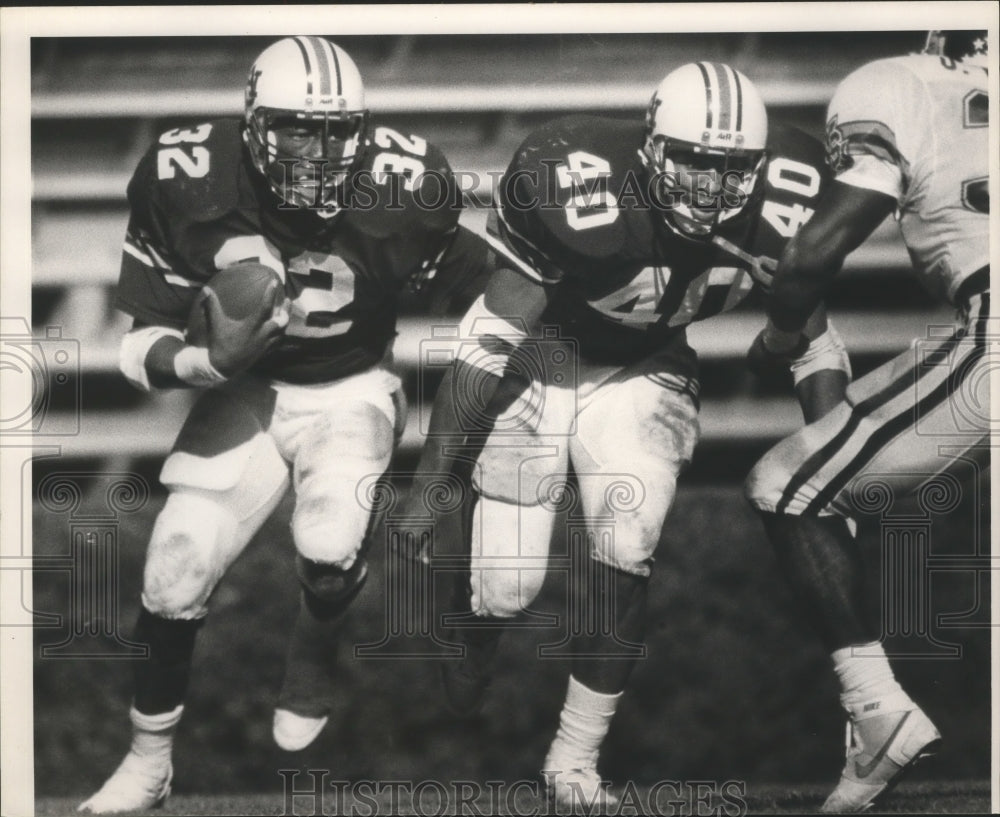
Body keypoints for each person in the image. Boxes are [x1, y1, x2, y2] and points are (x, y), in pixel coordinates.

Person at [407, 62, 850, 811]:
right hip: (538, 362)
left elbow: (814, 342)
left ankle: (575, 760)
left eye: (731, 169)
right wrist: (429, 483)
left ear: (761, 165)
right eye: (695, 163)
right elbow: (485, 342)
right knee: (508, 590)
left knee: (628, 538)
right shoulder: (571, 177)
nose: (710, 188)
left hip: (647, 365)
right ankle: (471, 619)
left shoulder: (791, 200)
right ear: (651, 147)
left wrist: (841, 460)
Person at [79, 36, 491, 814]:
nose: (322, 150)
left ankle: (318, 640)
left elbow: (493, 291)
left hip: (351, 389)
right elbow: (137, 344)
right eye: (300, 127)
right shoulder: (189, 173)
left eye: (339, 131)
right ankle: (147, 762)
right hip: (249, 392)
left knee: (331, 545)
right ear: (254, 119)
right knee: (175, 564)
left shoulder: (404, 187)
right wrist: (204, 365)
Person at [744, 30, 990, 813]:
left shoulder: (898, 84)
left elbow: (816, 252)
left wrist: (783, 326)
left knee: (785, 483)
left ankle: (875, 707)